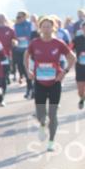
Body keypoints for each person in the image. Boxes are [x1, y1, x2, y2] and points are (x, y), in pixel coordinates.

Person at [25, 16, 74, 152]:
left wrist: (64, 72)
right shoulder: (34, 43)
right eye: (44, 26)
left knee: (53, 114)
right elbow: (26, 56)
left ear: (53, 28)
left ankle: (51, 141)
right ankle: (42, 124)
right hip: (39, 82)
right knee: (41, 113)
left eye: (49, 26)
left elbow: (72, 58)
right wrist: (28, 70)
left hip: (55, 82)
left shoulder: (58, 43)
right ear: (40, 28)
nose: (46, 29)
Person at [0, 14, 17, 106]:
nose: (0, 20)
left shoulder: (10, 30)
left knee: (4, 77)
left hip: (6, 56)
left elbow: (15, 40)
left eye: (2, 18)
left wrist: (14, 43)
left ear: (5, 19)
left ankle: (1, 97)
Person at [13, 10, 34, 93]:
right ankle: (28, 84)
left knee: (27, 67)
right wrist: (15, 40)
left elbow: (32, 35)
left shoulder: (30, 25)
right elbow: (14, 36)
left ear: (25, 17)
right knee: (20, 67)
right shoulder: (15, 26)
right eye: (17, 17)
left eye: (19, 17)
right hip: (18, 50)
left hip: (28, 50)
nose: (18, 18)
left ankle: (30, 87)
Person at [73, 19, 85, 110]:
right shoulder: (77, 39)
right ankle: (82, 98)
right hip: (80, 67)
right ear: (82, 28)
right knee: (80, 90)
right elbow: (68, 49)